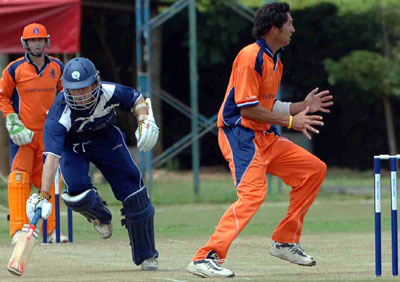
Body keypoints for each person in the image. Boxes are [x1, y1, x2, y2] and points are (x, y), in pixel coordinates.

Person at [187, 2, 334, 278]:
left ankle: (286, 241)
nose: (293, 28)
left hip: (263, 136)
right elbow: (247, 108)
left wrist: (300, 106)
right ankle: (205, 257)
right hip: (239, 135)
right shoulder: (249, 56)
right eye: (289, 23)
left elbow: (268, 105)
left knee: (314, 170)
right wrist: (292, 122)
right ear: (273, 29)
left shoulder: (275, 60)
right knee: (253, 195)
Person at [26, 57, 160, 270]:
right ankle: (101, 218)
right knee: (76, 194)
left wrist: (144, 119)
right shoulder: (59, 113)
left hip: (107, 141)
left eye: (84, 88)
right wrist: (43, 195)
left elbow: (136, 99)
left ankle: (146, 255)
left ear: (95, 83)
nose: (79, 95)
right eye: (73, 89)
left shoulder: (109, 91)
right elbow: (51, 158)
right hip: (74, 148)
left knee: (135, 194)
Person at [0, 23, 67, 244]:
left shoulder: (57, 67)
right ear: (25, 43)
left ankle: (51, 230)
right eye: (32, 40)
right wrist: (11, 118)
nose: (36, 44)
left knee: (50, 183)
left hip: (49, 135)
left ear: (46, 42)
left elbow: (65, 97)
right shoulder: (14, 69)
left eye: (40, 40)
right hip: (24, 136)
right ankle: (18, 229)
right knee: (20, 179)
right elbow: (3, 97)